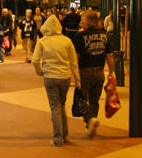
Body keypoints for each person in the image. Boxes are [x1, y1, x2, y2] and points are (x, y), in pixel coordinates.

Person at [33, 15, 81, 146]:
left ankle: (58, 138)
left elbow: (35, 60)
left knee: (55, 107)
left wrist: (39, 71)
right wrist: (77, 79)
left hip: (50, 76)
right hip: (65, 77)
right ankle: (64, 135)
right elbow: (73, 62)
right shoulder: (66, 41)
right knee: (62, 105)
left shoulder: (43, 41)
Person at [73, 10, 115, 138]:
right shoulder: (105, 35)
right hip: (99, 72)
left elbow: (76, 56)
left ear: (87, 22)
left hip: (84, 72)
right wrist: (111, 72)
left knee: (81, 100)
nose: (80, 22)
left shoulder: (80, 36)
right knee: (94, 101)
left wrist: (75, 74)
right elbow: (110, 56)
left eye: (82, 20)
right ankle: (91, 126)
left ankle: (89, 121)